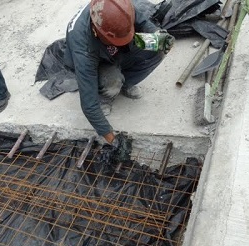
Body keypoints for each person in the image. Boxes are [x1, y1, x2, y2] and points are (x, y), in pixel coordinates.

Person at [63, 0, 175, 147]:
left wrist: (159, 36)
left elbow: (143, 22)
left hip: (120, 43)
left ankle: (126, 82)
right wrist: (112, 139)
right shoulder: (83, 50)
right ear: (97, 31)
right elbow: (89, 105)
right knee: (112, 82)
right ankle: (104, 95)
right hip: (99, 59)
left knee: (159, 47)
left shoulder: (120, 9)